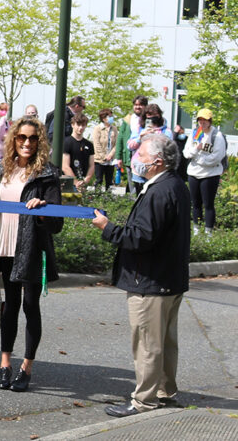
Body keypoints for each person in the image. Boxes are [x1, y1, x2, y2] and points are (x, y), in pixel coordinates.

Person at [93, 135, 191, 417]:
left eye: (142, 155)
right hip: (169, 279)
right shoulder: (175, 185)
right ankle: (164, 391)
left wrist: (107, 227)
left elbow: (140, 238)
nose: (136, 159)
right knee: (165, 342)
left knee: (147, 343)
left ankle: (144, 400)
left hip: (150, 281)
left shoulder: (160, 191)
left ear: (158, 161)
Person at [0, 116, 63, 393]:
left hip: (30, 247)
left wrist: (42, 209)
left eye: (32, 138)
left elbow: (57, 224)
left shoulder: (47, 174)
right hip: (4, 246)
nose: (27, 143)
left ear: (40, 141)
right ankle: (5, 364)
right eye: (21, 138)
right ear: (13, 140)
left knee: (30, 305)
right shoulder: (0, 170)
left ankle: (26, 367)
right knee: (10, 306)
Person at [183, 109, 227, 234]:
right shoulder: (195, 133)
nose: (202, 123)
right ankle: (196, 229)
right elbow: (186, 153)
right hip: (193, 173)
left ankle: (208, 232)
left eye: (205, 120)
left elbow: (218, 156)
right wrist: (196, 150)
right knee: (195, 203)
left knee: (208, 204)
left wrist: (200, 160)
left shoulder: (216, 136)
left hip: (210, 174)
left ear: (210, 121)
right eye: (200, 120)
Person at [128, 104, 173, 194]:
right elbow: (129, 146)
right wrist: (140, 138)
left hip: (156, 169)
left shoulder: (166, 131)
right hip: (140, 168)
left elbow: (169, 149)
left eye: (154, 115)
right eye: (149, 116)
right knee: (140, 196)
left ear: (159, 115)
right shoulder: (139, 128)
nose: (152, 118)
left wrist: (157, 137)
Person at [62, 114, 95, 191]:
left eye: (83, 125)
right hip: (69, 183)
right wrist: (76, 182)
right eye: (78, 125)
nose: (81, 128)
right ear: (72, 125)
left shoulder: (89, 144)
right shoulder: (66, 142)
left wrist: (86, 180)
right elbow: (65, 166)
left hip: (83, 183)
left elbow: (92, 165)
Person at [91, 108, 118, 191]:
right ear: (103, 118)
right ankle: (96, 197)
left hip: (110, 160)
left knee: (109, 181)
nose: (111, 118)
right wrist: (104, 156)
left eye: (111, 116)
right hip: (99, 160)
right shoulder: (97, 128)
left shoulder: (114, 129)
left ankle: (108, 197)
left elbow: (117, 144)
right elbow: (96, 144)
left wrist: (111, 155)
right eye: (109, 116)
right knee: (99, 180)